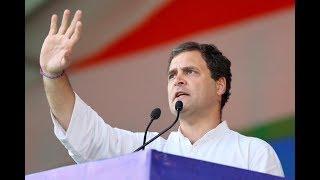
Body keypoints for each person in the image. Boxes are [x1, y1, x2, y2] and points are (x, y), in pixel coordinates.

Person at [40, 9, 284, 177]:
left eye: (190, 72)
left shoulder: (254, 153)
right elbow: (88, 138)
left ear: (220, 85)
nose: (177, 79)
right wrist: (53, 76)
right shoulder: (146, 152)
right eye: (171, 75)